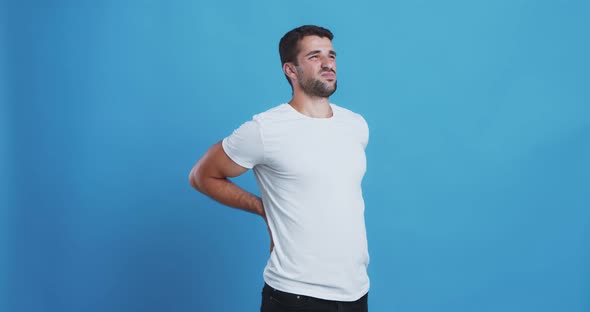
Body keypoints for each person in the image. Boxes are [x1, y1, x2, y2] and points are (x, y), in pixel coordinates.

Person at [189, 25, 370, 312]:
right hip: (294, 295)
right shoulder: (265, 130)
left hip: (355, 292)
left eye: (331, 55)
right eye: (314, 56)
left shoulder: (355, 126)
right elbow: (202, 176)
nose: (327, 63)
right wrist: (262, 208)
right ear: (291, 70)